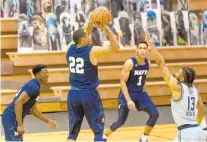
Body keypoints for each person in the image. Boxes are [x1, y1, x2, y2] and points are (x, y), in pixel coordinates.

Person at [145, 31, 206, 141]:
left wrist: (150, 43)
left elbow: (161, 63)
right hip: (199, 132)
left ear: (182, 79)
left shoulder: (177, 87)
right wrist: (195, 126)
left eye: (178, 73)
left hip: (186, 134)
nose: (175, 74)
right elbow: (202, 110)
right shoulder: (194, 90)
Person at [66, 17, 120, 141]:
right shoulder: (93, 51)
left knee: (72, 134)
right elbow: (116, 48)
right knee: (98, 132)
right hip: (88, 94)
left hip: (73, 94)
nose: (90, 36)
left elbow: (83, 32)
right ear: (84, 39)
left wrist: (90, 22)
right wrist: (106, 29)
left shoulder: (69, 48)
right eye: (88, 36)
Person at [103, 41, 159, 142]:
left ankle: (144, 137)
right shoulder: (130, 63)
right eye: (140, 48)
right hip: (127, 93)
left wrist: (143, 92)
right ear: (136, 50)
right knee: (121, 121)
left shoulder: (148, 63)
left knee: (155, 113)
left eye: (145, 48)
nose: (142, 50)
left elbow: (144, 79)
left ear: (147, 50)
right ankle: (104, 136)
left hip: (140, 93)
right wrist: (128, 100)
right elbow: (122, 82)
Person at [2, 64, 57, 141]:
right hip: (12, 117)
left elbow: (33, 109)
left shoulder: (35, 86)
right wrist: (20, 125)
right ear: (38, 74)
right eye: (45, 73)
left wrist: (47, 121)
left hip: (12, 117)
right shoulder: (34, 86)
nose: (47, 75)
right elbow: (18, 103)